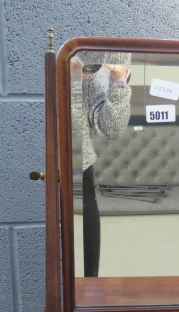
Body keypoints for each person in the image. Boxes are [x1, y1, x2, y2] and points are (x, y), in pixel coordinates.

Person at [71, 53, 131, 277]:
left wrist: (118, 77)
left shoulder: (94, 67)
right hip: (46, 173)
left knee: (88, 274)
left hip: (81, 170)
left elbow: (112, 129)